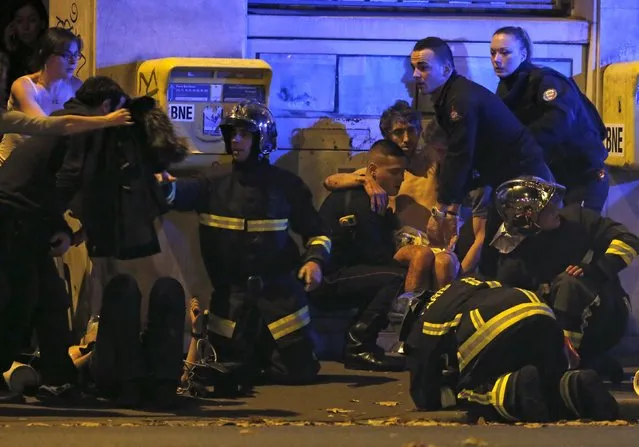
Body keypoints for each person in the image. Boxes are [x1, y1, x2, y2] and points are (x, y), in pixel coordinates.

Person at [165, 100, 330, 390]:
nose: (235, 140)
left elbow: (318, 233)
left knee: (297, 374)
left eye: (244, 133)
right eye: (232, 133)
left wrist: (314, 261)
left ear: (262, 139)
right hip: (232, 304)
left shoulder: (286, 185)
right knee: (229, 375)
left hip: (282, 305)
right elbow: (181, 192)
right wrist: (163, 184)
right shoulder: (212, 183)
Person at [0, 77, 138, 403]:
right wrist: (60, 227)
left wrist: (63, 228)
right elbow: (66, 181)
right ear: (105, 107)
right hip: (16, 219)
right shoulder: (80, 130)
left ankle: (58, 380)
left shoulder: (67, 121)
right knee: (21, 302)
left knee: (48, 300)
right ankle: (51, 378)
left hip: (21, 217)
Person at [404, 275, 619, 422]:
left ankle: (510, 391)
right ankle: (574, 385)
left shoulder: (426, 318)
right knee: (546, 381)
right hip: (540, 313)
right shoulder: (467, 282)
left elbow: (423, 392)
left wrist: (446, 390)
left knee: (470, 392)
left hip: (494, 326)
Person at [409, 36, 552, 257]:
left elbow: (460, 155)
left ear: (446, 69)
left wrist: (442, 210)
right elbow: (464, 156)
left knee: (518, 258)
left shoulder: (460, 100)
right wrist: (451, 210)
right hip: (507, 184)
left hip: (527, 184)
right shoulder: (451, 96)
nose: (415, 75)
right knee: (493, 255)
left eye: (423, 67)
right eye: (414, 68)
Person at [492, 176, 638, 383]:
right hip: (554, 321)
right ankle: (580, 362)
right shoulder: (513, 251)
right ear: (526, 218)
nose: (555, 209)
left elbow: (629, 241)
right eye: (545, 207)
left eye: (553, 203)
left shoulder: (577, 219)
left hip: (607, 313)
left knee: (569, 283)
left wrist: (596, 269)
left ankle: (566, 366)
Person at [324, 101, 488, 282]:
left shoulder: (430, 162)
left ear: (419, 132)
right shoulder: (377, 171)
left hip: (436, 246)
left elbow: (455, 153)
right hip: (400, 248)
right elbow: (330, 181)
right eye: (398, 132)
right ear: (386, 134)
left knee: (444, 263)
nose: (406, 139)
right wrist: (363, 181)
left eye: (411, 131)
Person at [312, 139, 423, 372]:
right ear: (372, 171)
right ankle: (358, 346)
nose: (401, 179)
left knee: (390, 274)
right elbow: (375, 254)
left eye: (403, 172)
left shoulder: (371, 196)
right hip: (330, 278)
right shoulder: (360, 200)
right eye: (394, 172)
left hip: (345, 272)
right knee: (394, 277)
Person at [490, 26, 609, 212]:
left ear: (523, 54)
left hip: (584, 177)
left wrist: (519, 145)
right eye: (493, 53)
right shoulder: (507, 90)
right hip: (555, 180)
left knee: (577, 233)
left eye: (504, 52)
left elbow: (558, 123)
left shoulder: (546, 81)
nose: (497, 59)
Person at [0, 27, 129, 164]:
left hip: (45, 165)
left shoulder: (76, 85)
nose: (73, 62)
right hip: (11, 164)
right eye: (67, 55)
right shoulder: (24, 86)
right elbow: (45, 128)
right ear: (45, 54)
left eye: (76, 55)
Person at [74, 274, 186, 409]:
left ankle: (136, 382)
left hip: (130, 358)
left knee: (163, 287)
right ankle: (160, 382)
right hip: (131, 361)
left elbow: (73, 362)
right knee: (129, 286)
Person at [2, 0, 48, 96]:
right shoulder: (8, 56)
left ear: (42, 23)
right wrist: (8, 50)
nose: (25, 27)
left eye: (32, 20)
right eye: (19, 21)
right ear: (12, 26)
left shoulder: (49, 54)